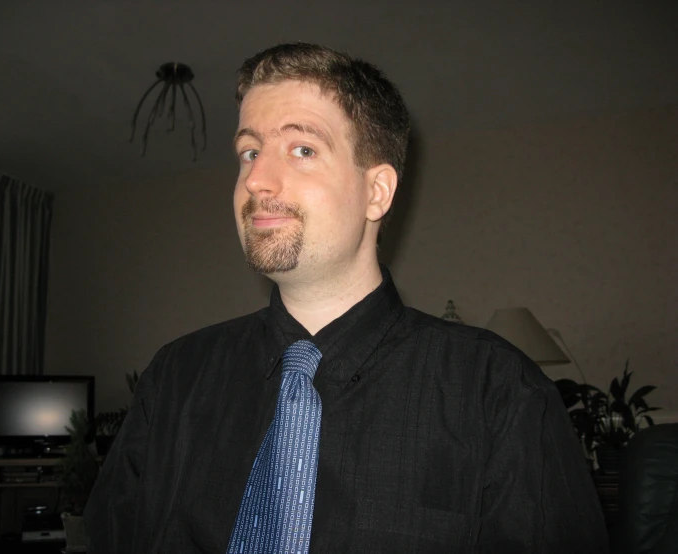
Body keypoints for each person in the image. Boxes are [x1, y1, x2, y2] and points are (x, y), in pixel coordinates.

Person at [84, 43, 608, 553]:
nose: (257, 180)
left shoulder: (501, 393)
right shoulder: (175, 377)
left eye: (302, 149)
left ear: (376, 191)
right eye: (249, 152)